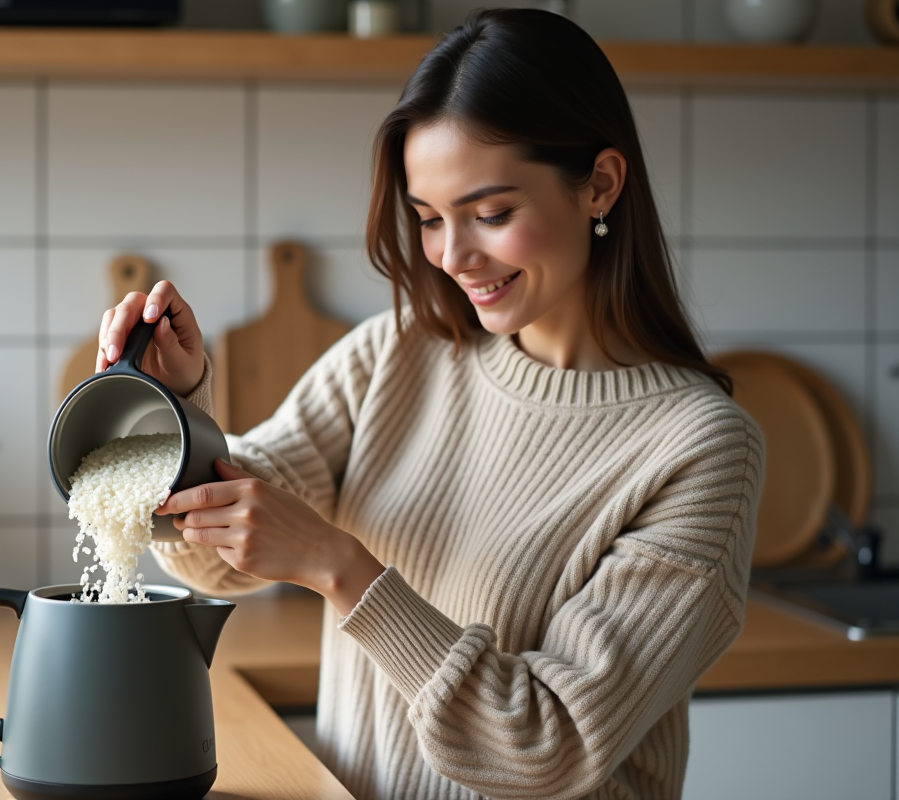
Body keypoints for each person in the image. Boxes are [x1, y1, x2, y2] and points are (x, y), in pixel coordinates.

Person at [96, 9, 763, 800]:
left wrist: (339, 567)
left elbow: (547, 747)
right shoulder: (397, 352)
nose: (453, 256)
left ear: (600, 185)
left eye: (492, 214)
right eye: (428, 220)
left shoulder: (700, 449)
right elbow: (213, 560)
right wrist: (177, 408)